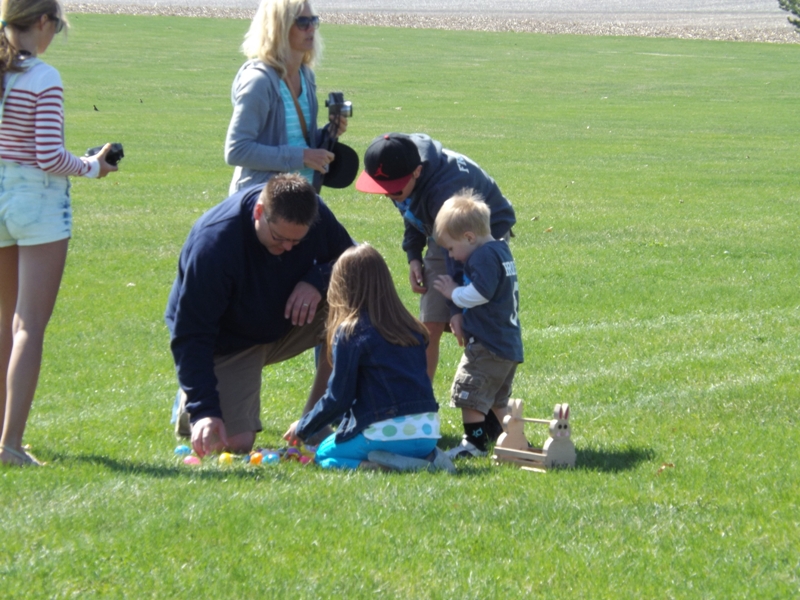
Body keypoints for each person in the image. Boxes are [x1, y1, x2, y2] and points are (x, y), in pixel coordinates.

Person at [0, 0, 118, 467]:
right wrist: (92, 166)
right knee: (28, 325)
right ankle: (10, 444)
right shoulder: (43, 77)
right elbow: (48, 156)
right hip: (38, 204)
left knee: (3, 322)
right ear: (43, 22)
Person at [165, 174, 354, 458]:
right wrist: (204, 409)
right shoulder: (214, 243)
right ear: (259, 212)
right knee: (233, 444)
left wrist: (318, 279)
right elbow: (192, 334)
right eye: (279, 238)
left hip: (285, 322)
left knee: (353, 301)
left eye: (297, 240)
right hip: (229, 342)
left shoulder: (315, 213)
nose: (288, 247)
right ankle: (193, 400)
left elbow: (355, 262)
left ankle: (315, 421)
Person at [354, 133, 515, 386]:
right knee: (430, 322)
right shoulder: (400, 166)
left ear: (417, 172)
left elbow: (456, 258)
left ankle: (485, 391)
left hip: (482, 235)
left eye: (394, 189)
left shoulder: (443, 191)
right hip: (444, 232)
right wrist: (413, 256)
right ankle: (422, 397)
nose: (389, 195)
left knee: (478, 321)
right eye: (383, 190)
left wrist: (456, 308)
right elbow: (411, 211)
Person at [283, 243, 455, 473]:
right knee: (395, 441)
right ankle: (429, 458)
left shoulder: (350, 332)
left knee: (323, 453)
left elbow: (338, 398)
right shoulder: (412, 328)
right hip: (427, 433)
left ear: (341, 286)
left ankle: (376, 466)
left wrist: (303, 427)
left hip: (384, 434)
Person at [432, 192, 524, 459]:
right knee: (497, 399)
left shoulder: (482, 256)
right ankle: (515, 440)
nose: (452, 256)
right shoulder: (500, 249)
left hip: (488, 344)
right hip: (506, 344)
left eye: (451, 248)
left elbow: (481, 293)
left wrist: (453, 293)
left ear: (469, 237)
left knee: (468, 391)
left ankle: (474, 444)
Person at [224, 0, 347, 195]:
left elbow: (296, 140)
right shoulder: (259, 81)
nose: (311, 29)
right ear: (279, 27)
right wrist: (303, 157)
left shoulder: (306, 75)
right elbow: (237, 150)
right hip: (262, 201)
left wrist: (329, 133)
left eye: (314, 21)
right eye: (302, 22)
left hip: (300, 199)